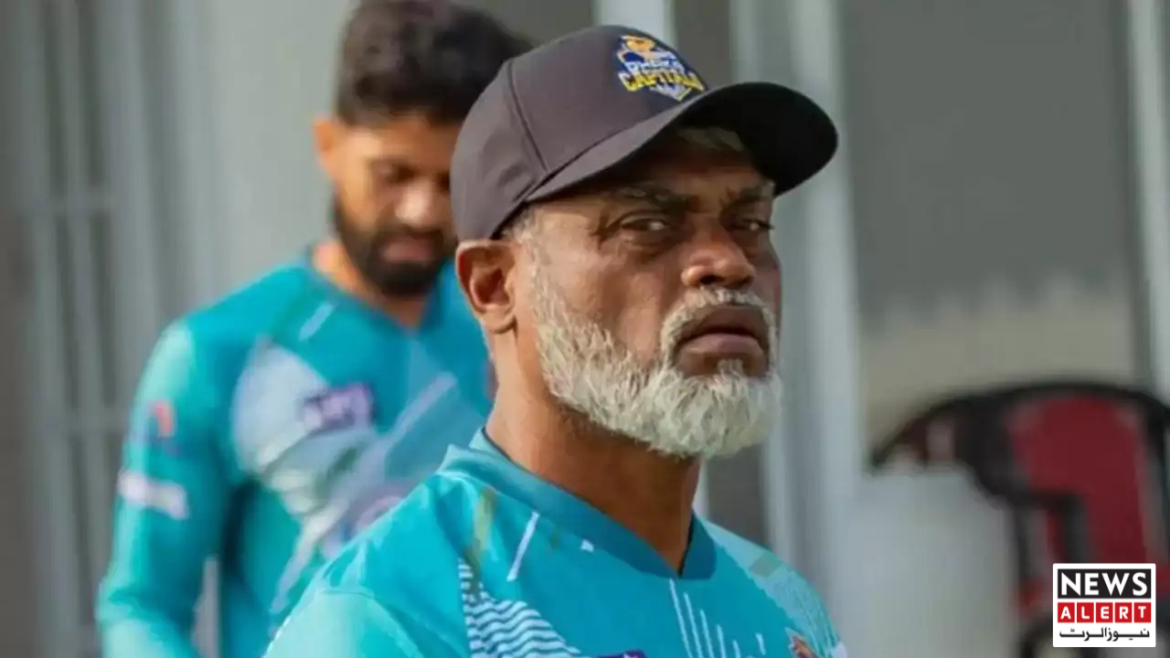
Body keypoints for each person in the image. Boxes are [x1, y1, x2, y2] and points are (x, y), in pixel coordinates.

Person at [264, 24, 847, 658]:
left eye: (750, 222)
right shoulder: (395, 619)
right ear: (494, 286)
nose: (729, 262)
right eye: (646, 223)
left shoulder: (783, 608)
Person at [96, 2, 530, 657]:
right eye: (393, 175)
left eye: (449, 182)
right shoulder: (216, 354)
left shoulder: (510, 322)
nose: (422, 210)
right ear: (328, 146)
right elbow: (141, 605)